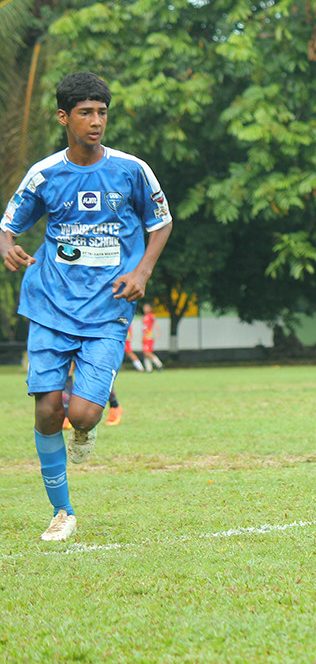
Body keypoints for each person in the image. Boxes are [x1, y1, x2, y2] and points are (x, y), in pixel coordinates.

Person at [0, 71, 172, 541]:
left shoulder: (131, 169)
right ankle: (62, 512)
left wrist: (141, 273)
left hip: (107, 307)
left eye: (102, 112)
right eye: (85, 113)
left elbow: (161, 221)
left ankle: (86, 425)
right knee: (47, 409)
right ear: (64, 117)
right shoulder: (45, 173)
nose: (96, 121)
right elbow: (8, 223)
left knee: (83, 416)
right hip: (50, 304)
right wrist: (8, 245)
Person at [141, 303, 164, 371]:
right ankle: (149, 369)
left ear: (150, 309)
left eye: (147, 307)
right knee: (145, 353)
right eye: (144, 307)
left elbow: (155, 324)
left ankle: (159, 364)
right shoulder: (144, 317)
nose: (145, 309)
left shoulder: (151, 316)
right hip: (145, 336)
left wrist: (159, 333)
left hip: (149, 336)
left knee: (147, 352)